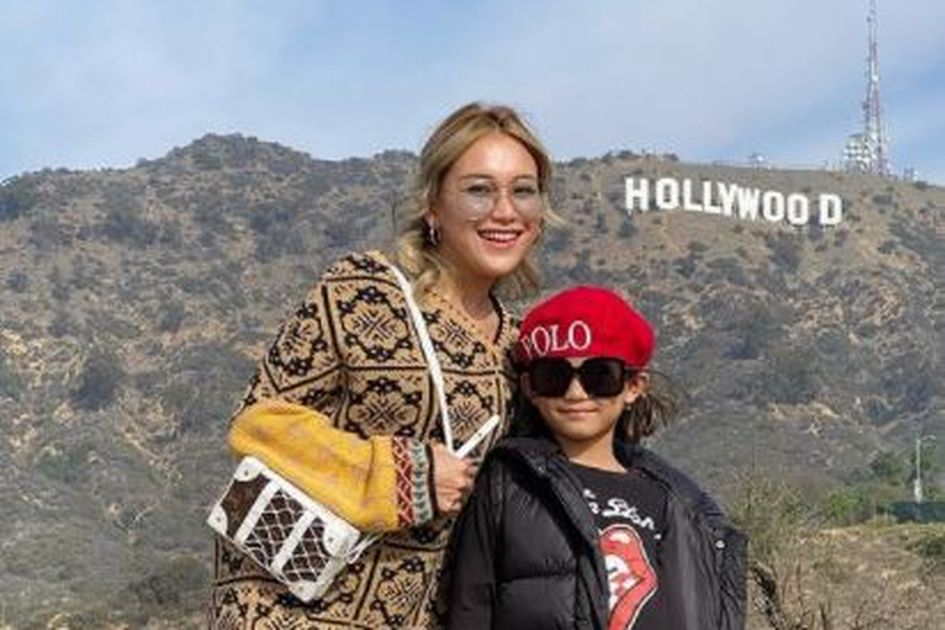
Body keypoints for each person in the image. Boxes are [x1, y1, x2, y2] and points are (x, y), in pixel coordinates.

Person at [208, 102, 557, 628]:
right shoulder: (364, 290)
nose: (504, 211)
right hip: (288, 612)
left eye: (523, 191)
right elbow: (258, 424)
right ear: (434, 207)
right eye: (479, 190)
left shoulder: (522, 346)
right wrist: (399, 477)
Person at [445, 286, 747, 629]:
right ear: (530, 388)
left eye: (599, 376)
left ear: (633, 387)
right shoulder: (506, 484)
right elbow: (471, 608)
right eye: (554, 376)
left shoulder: (681, 507)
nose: (576, 393)